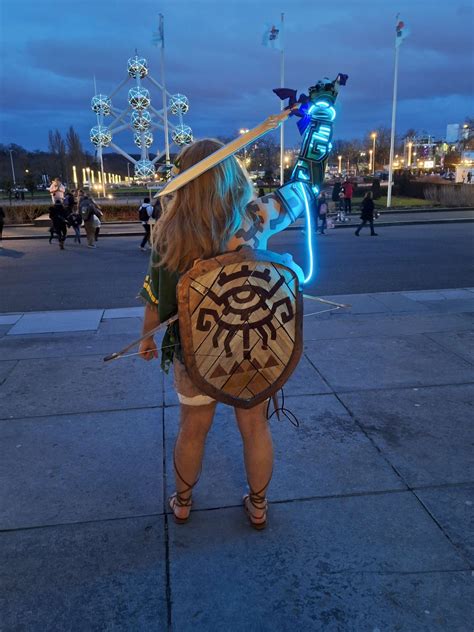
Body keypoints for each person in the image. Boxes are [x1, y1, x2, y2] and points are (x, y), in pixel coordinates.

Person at [138, 139, 310, 530]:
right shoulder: (255, 216)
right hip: (252, 348)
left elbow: (157, 298)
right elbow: (300, 194)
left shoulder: (170, 231)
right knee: (255, 426)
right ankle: (259, 505)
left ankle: (182, 502)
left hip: (196, 350)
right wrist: (313, 129)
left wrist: (147, 338)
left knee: (192, 429)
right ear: (232, 173)